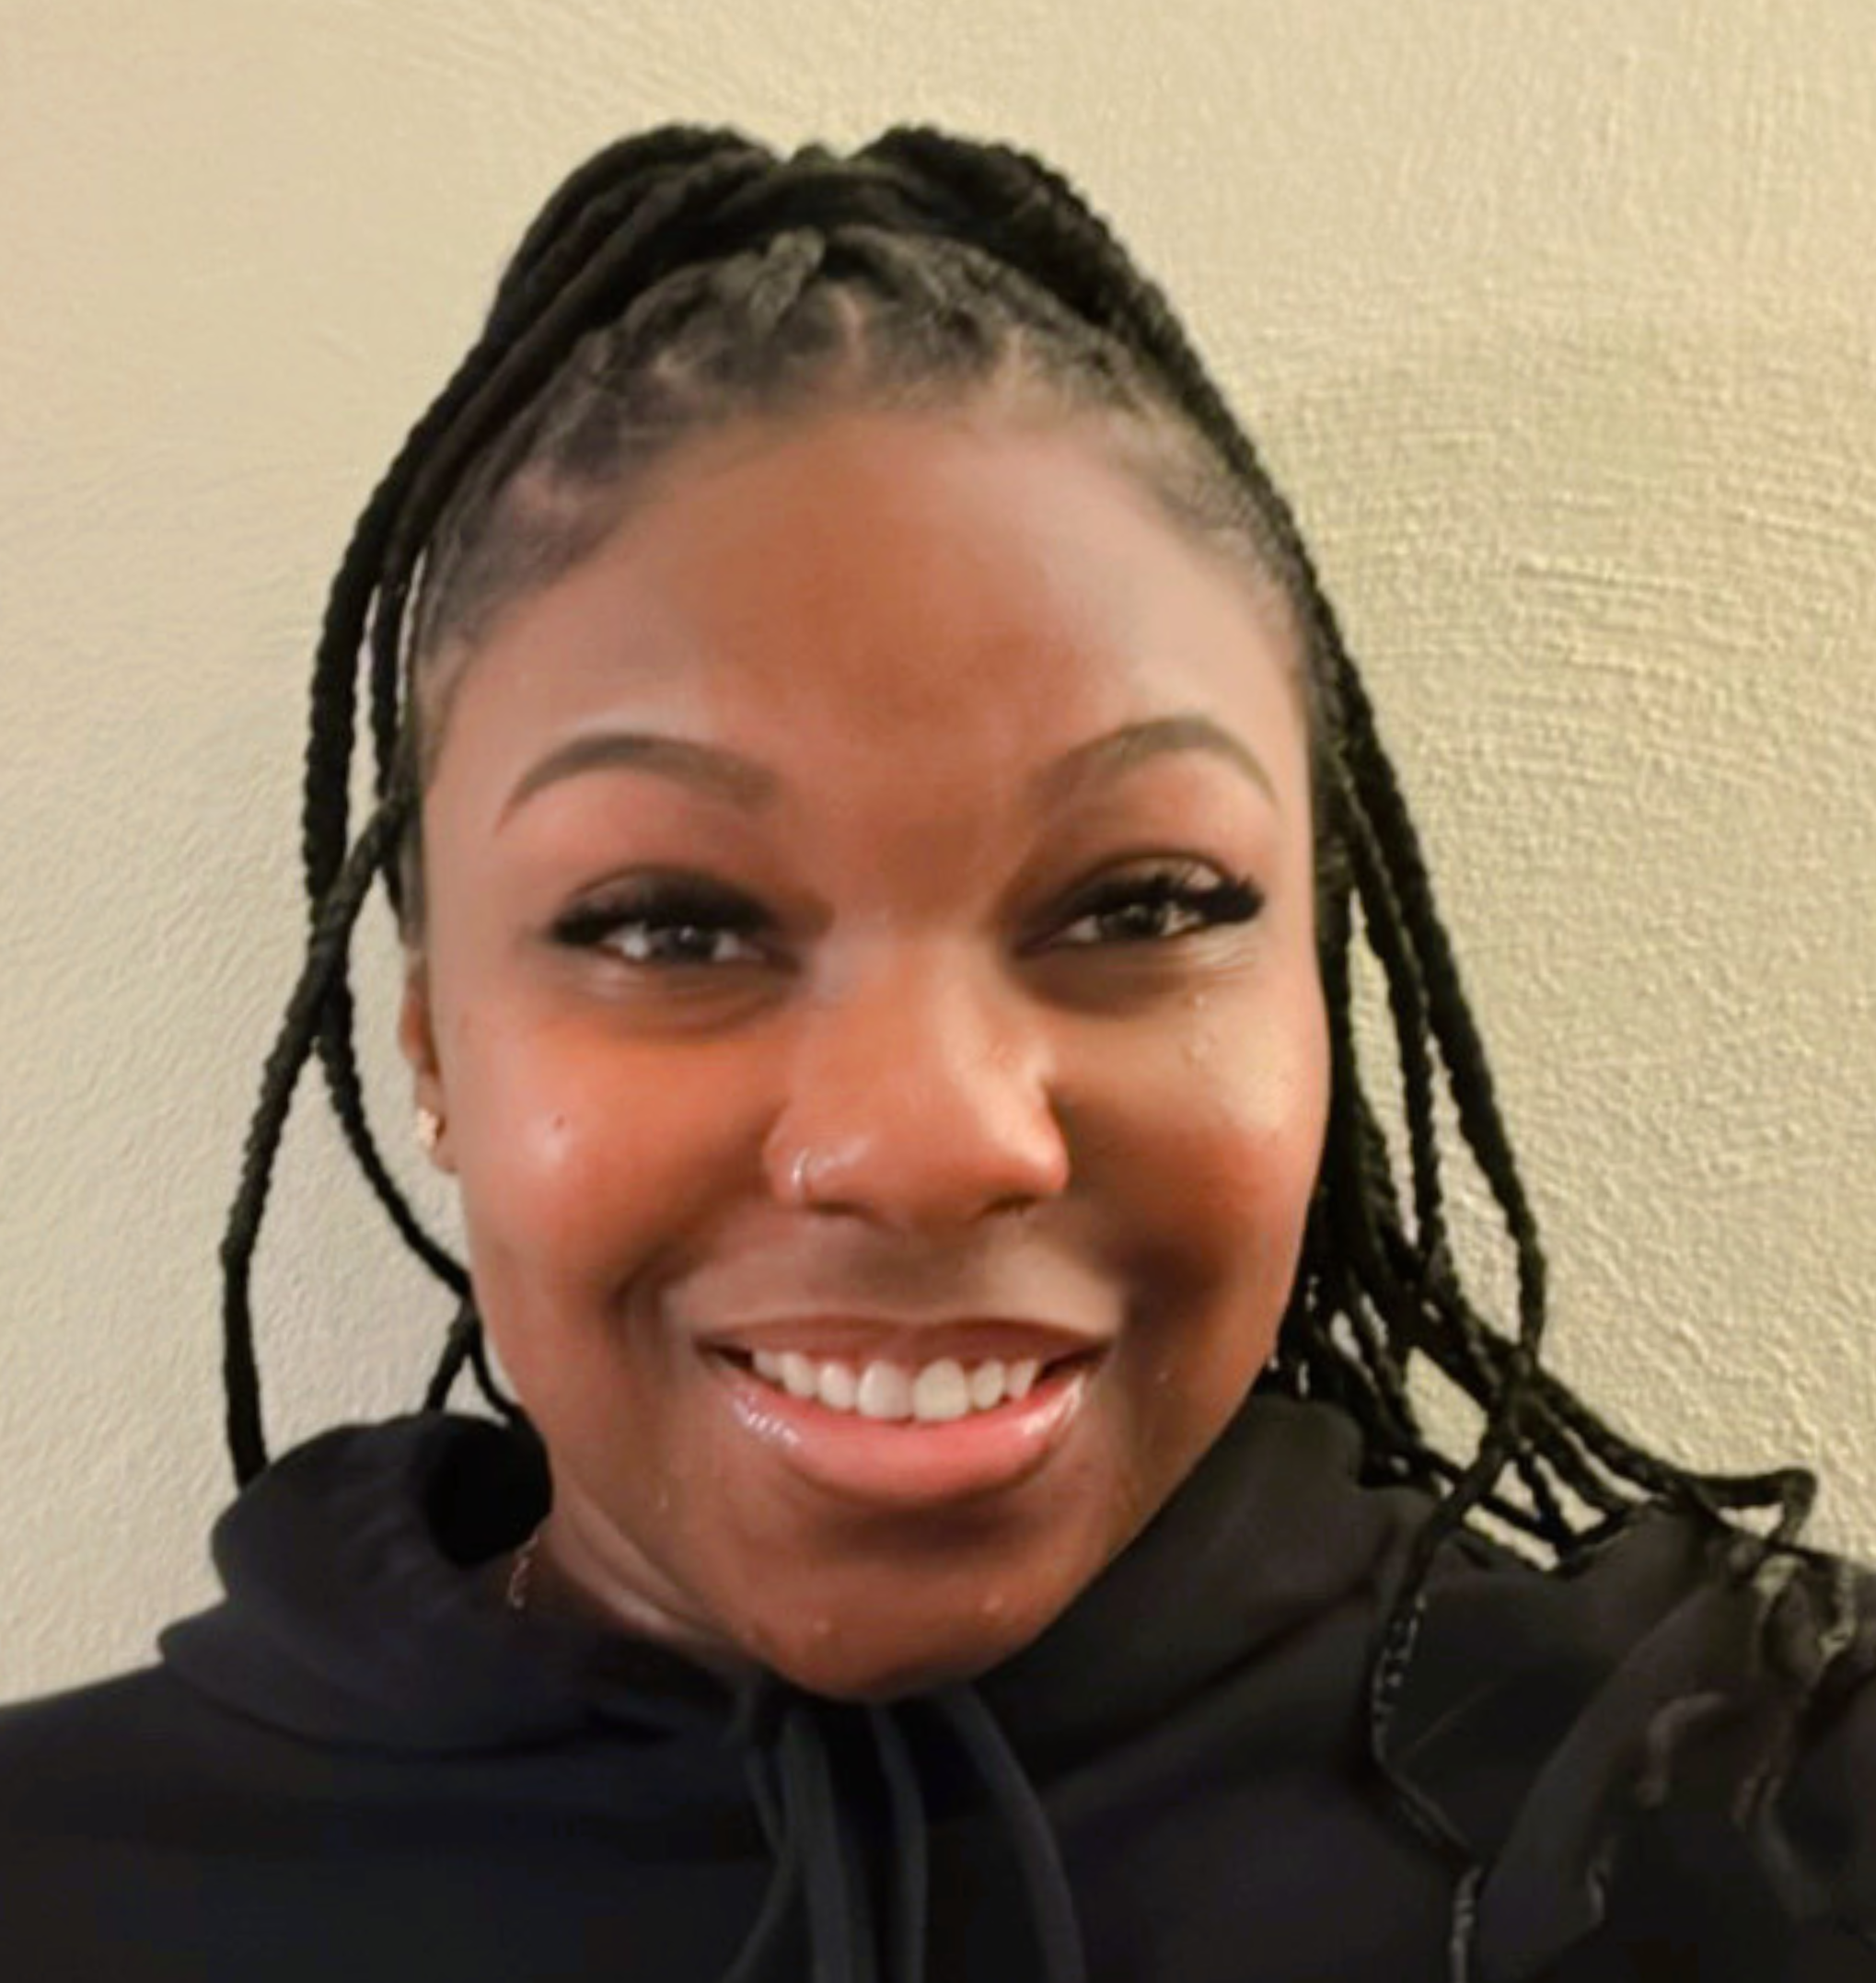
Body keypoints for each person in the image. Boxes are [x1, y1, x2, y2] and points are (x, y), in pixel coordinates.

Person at [1, 122, 1871, 1982]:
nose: (925, 1142)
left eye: (1139, 905)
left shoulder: (1769, 1825)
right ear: (429, 1037)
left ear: (1318, 990)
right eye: (668, 925)